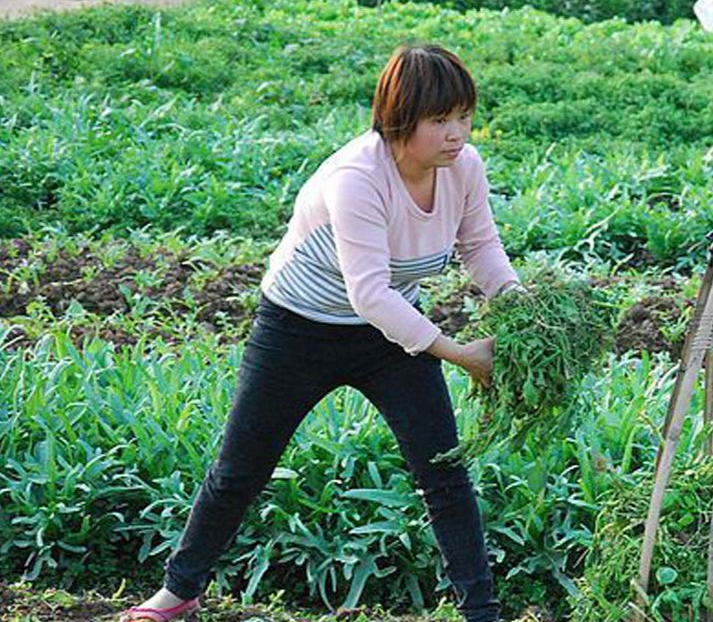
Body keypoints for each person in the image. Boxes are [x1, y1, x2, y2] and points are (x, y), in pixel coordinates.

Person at [119, 45, 519, 622]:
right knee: (239, 470)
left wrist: (521, 307)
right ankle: (178, 590)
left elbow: (479, 247)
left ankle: (482, 612)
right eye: (440, 120)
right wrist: (461, 355)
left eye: (464, 116)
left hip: (389, 338)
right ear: (400, 117)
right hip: (297, 331)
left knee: (444, 471)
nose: (457, 133)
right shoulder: (357, 177)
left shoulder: (464, 168)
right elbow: (369, 293)